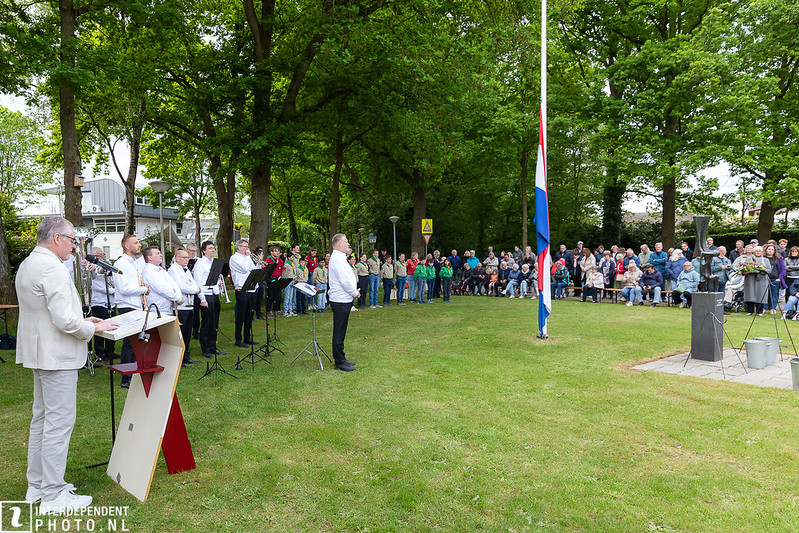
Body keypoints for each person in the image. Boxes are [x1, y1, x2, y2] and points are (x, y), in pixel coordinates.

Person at [16, 217, 117, 512]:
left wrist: (83, 320)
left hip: (40, 353)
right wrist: (93, 327)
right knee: (58, 424)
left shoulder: (29, 263)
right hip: (56, 356)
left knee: (42, 420)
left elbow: (48, 312)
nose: (74, 246)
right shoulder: (51, 267)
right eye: (72, 240)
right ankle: (53, 494)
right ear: (57, 238)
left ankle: (37, 485)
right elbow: (63, 321)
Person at [113, 234, 149, 388]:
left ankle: (133, 371)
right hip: (127, 306)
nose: (139, 245)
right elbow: (123, 288)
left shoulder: (134, 263)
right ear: (127, 246)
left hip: (137, 305)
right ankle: (126, 378)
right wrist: (144, 289)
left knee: (136, 341)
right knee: (129, 342)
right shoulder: (120, 263)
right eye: (136, 243)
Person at [328, 234, 359, 371]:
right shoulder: (337, 259)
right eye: (346, 242)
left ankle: (341, 357)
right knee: (339, 331)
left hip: (343, 299)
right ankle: (339, 361)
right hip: (340, 300)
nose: (348, 244)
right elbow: (344, 281)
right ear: (339, 244)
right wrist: (354, 293)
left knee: (341, 331)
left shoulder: (340, 258)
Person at [169, 248, 202, 366]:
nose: (187, 260)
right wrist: (196, 290)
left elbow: (193, 283)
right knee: (180, 334)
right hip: (180, 307)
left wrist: (195, 289)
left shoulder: (186, 270)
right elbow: (181, 287)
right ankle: (179, 359)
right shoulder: (173, 270)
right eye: (184, 257)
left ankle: (186, 356)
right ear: (177, 258)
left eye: (187, 258)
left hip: (189, 305)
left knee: (187, 333)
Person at [193, 241, 224, 358]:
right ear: (204, 251)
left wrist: (218, 283)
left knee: (215, 322)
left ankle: (213, 346)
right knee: (207, 323)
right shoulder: (200, 264)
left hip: (214, 294)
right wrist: (202, 299)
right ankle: (205, 348)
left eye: (213, 248)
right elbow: (198, 282)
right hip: (206, 295)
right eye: (210, 248)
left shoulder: (213, 263)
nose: (213, 250)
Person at [230, 239, 259, 345]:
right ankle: (238, 339)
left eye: (247, 247)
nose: (247, 249)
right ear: (239, 247)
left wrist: (255, 262)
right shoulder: (234, 258)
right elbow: (245, 269)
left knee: (249, 315)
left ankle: (247, 337)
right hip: (241, 289)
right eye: (245, 247)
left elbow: (253, 269)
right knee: (241, 315)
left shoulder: (247, 258)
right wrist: (248, 257)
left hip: (251, 288)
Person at [89, 247, 116, 362]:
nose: (102, 257)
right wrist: (114, 291)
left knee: (111, 327)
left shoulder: (105, 265)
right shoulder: (91, 267)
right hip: (99, 303)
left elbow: (110, 280)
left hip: (110, 302)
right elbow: (95, 285)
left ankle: (110, 351)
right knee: (100, 329)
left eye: (102, 255)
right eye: (99, 255)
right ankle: (99, 353)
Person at [764, 243, 787, 313]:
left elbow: (783, 269)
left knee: (774, 295)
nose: (770, 250)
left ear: (774, 251)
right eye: (769, 249)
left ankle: (773, 308)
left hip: (775, 279)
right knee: (765, 295)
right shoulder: (763, 258)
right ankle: (763, 308)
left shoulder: (778, 258)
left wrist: (779, 278)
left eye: (772, 249)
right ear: (766, 250)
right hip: (764, 279)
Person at [264, 245, 284, 318]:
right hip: (271, 279)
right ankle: (268, 311)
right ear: (271, 252)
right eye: (275, 251)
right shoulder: (268, 260)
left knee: (277, 296)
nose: (277, 252)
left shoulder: (280, 261)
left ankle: (276, 310)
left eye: (278, 251)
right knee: (270, 296)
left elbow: (281, 270)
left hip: (278, 279)